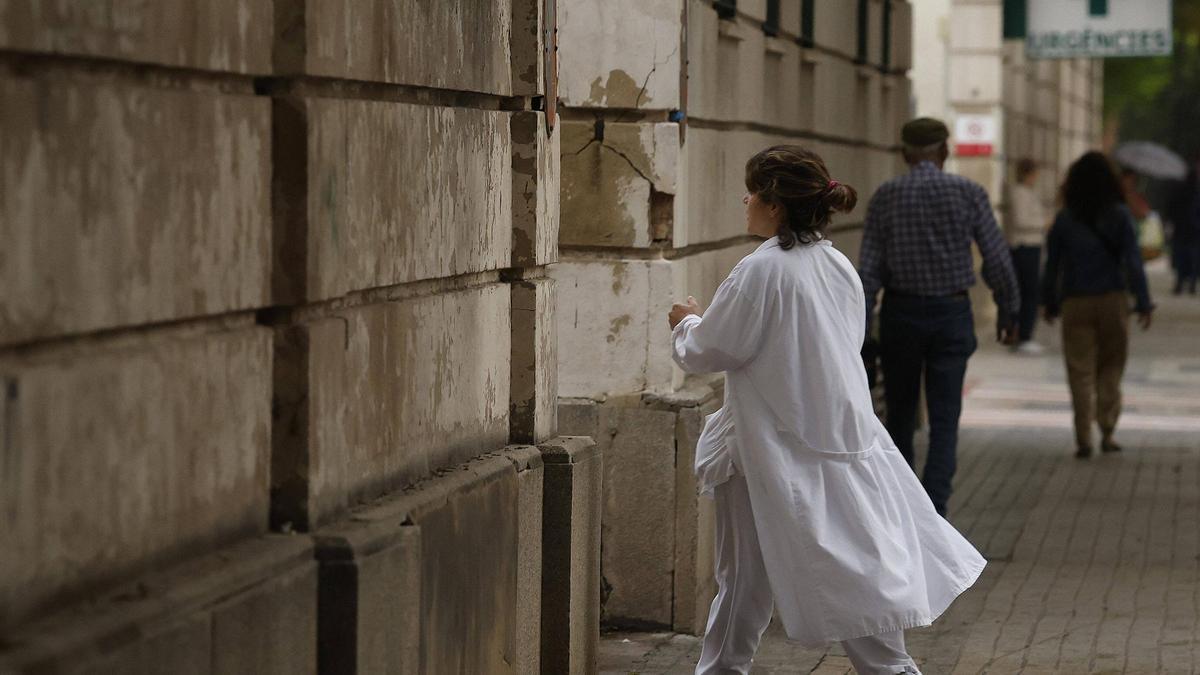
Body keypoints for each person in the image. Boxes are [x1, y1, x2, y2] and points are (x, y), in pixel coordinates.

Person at [669, 145, 985, 675]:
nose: (744, 199)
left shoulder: (762, 270)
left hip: (771, 446)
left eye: (752, 190)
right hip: (835, 437)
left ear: (774, 204)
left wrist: (687, 320)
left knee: (758, 577)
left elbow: (711, 349)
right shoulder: (835, 264)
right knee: (854, 568)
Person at [858, 118, 1020, 516]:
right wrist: (1009, 307)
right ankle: (935, 510)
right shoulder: (969, 192)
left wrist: (861, 330)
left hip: (901, 314)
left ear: (904, 154)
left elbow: (868, 271)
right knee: (945, 418)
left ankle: (902, 507)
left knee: (899, 414)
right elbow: (996, 257)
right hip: (951, 312)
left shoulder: (885, 196)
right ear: (945, 152)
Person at [1042, 151, 1154, 459]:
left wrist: (1048, 301)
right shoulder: (1119, 215)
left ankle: (1083, 438)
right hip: (1112, 300)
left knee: (1080, 371)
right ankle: (1107, 429)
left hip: (1076, 301)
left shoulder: (1065, 218)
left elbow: (1053, 264)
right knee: (1111, 366)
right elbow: (1133, 261)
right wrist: (1143, 302)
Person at [1005, 157, 1049, 354]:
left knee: (1027, 291)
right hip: (1025, 246)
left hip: (1030, 245)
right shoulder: (1019, 193)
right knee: (1028, 292)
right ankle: (1024, 335)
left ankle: (1021, 333)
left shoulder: (1027, 193)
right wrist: (1043, 223)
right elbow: (1022, 220)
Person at [1168, 163, 1200, 295]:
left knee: (1181, 258)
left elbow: (1171, 209)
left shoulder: (1178, 191)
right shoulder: (1196, 192)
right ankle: (1192, 283)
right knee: (1194, 259)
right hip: (1195, 231)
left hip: (1181, 230)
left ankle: (1180, 283)